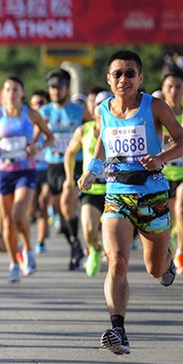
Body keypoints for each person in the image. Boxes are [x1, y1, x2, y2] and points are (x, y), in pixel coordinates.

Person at [78, 50, 179, 355]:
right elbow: (101, 144)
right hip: (117, 194)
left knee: (154, 269)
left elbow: (181, 139)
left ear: (140, 78)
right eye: (118, 74)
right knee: (117, 259)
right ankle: (117, 329)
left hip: (153, 196)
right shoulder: (103, 110)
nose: (124, 79)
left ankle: (167, 261)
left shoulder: (155, 107)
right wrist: (91, 172)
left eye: (130, 73)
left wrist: (160, 158)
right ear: (109, 80)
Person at [0, 77, 53, 282]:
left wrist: (37, 147)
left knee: (19, 214)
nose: (11, 93)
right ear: (3, 93)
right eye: (7, 89)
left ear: (22, 93)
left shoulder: (30, 114)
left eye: (15, 89)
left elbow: (50, 137)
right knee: (8, 222)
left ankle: (28, 250)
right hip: (3, 171)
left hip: (25, 170)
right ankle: (14, 264)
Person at [40, 69, 91, 270]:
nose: (55, 91)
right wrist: (35, 144)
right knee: (60, 212)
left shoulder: (79, 110)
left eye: (59, 87)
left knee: (67, 201)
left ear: (67, 88)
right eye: (52, 87)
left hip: (74, 163)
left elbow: (96, 129)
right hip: (53, 164)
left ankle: (76, 247)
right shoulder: (44, 112)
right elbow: (37, 134)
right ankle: (74, 244)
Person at [64, 88, 111, 277]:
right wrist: (69, 178)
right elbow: (70, 153)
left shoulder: (120, 130)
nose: (102, 109)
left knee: (112, 237)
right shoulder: (84, 130)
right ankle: (95, 249)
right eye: (99, 105)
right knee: (89, 230)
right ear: (93, 109)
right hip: (91, 189)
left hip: (114, 190)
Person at [159, 70, 183, 275]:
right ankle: (168, 248)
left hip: (182, 175)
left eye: (178, 87)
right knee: (167, 218)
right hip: (162, 176)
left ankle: (180, 252)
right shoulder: (156, 116)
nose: (174, 91)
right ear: (163, 90)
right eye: (170, 87)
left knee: (181, 209)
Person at [29, 90, 51, 253]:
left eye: (41, 103)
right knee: (31, 208)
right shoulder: (25, 122)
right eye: (35, 103)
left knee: (43, 204)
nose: (38, 106)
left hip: (47, 167)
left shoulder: (50, 122)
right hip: (30, 169)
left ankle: (41, 240)